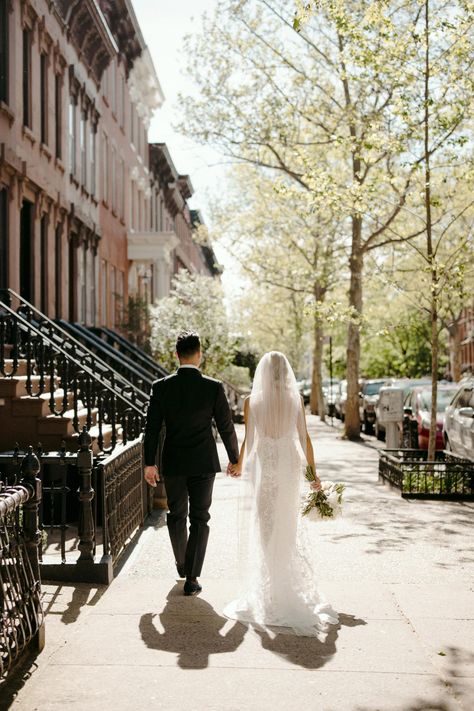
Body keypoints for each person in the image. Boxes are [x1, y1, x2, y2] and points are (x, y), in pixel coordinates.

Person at [224, 351, 339, 637]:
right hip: (288, 464)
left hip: (266, 463)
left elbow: (249, 441)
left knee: (266, 525)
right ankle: (283, 583)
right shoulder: (294, 400)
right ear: (284, 373)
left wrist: (238, 464)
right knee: (287, 524)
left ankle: (271, 586)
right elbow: (304, 439)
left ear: (262, 373)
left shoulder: (253, 402)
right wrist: (313, 475)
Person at [143, 330, 239, 596]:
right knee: (200, 517)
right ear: (199, 355)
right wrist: (235, 459)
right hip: (203, 463)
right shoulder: (213, 387)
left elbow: (151, 429)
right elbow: (226, 426)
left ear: (177, 355)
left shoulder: (161, 387)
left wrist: (149, 463)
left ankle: (182, 563)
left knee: (176, 515)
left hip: (173, 461)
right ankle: (192, 576)